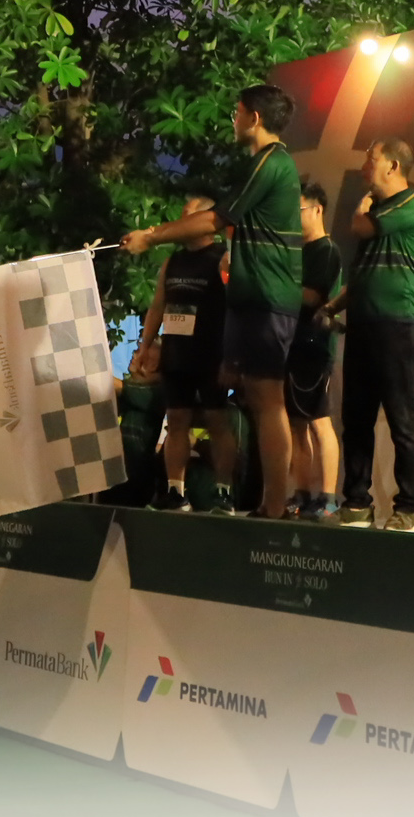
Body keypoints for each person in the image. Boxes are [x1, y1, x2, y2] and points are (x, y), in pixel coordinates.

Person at [125, 85, 309, 520]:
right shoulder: (266, 163)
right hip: (255, 300)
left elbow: (215, 219)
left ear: (254, 118)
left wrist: (151, 235)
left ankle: (276, 505)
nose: (233, 119)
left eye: (237, 112)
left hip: (268, 297)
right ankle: (269, 503)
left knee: (268, 400)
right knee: (259, 400)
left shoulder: (271, 161)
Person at [338, 140, 414, 529]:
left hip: (398, 324)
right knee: (356, 418)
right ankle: (356, 503)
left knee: (402, 419)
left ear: (393, 166)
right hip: (362, 323)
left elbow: (360, 227)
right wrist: (331, 308)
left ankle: (408, 509)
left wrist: (360, 208)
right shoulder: (379, 208)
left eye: (371, 159)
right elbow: (363, 274)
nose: (364, 165)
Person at [126, 194, 233, 511]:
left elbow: (236, 306)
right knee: (176, 421)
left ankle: (224, 493)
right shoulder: (172, 262)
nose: (180, 223)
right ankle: (175, 491)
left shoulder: (223, 258)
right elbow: (158, 306)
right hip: (176, 354)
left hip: (211, 353)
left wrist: (232, 355)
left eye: (188, 217)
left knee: (217, 421)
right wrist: (145, 346)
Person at [286, 183, 346, 516]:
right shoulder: (296, 252)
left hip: (316, 345)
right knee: (297, 425)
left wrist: (278, 288)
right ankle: (302, 493)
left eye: (299, 211)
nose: (294, 218)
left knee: (320, 421)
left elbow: (312, 297)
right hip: (291, 344)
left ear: (318, 209)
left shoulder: (327, 250)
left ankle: (328, 497)